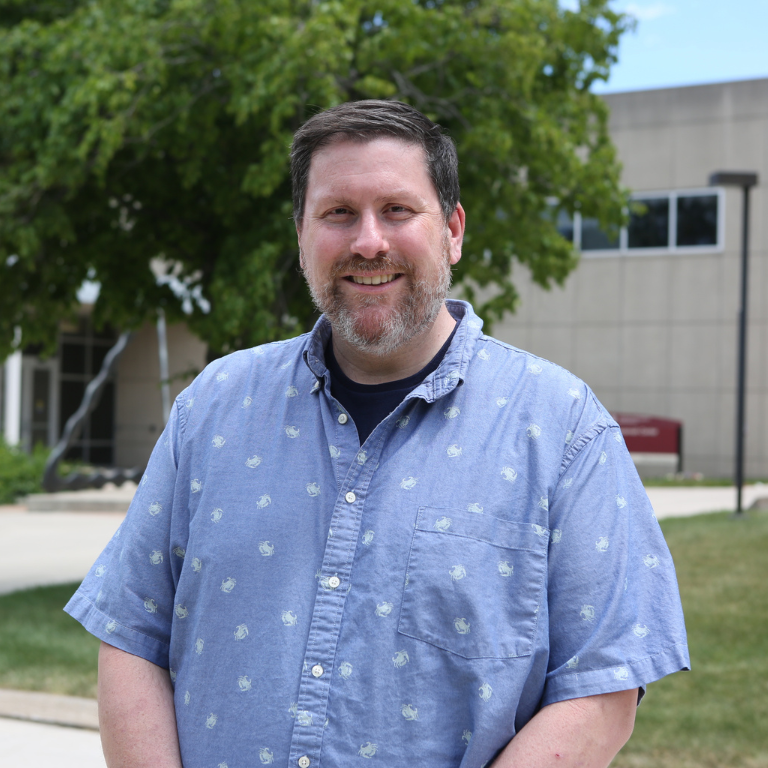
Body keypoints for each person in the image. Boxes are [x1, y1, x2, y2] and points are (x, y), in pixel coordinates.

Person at [66, 100, 689, 768]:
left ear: (452, 230)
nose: (369, 241)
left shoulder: (562, 429)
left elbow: (603, 682)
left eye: (397, 210)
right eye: (338, 213)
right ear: (302, 234)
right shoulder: (212, 409)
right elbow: (131, 630)